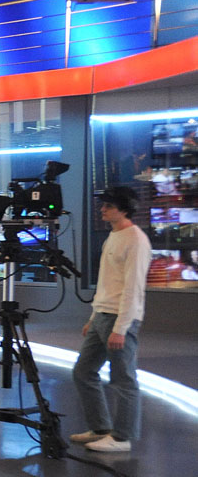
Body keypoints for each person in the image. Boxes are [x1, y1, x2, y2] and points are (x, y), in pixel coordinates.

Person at [70, 186, 152, 452]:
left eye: (108, 206)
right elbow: (107, 282)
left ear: (124, 209)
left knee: (123, 379)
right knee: (84, 372)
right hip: (102, 316)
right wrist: (93, 316)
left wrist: (121, 328)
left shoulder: (136, 240)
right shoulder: (113, 237)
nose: (102, 209)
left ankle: (121, 438)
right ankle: (101, 429)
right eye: (103, 205)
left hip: (120, 319)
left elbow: (133, 289)